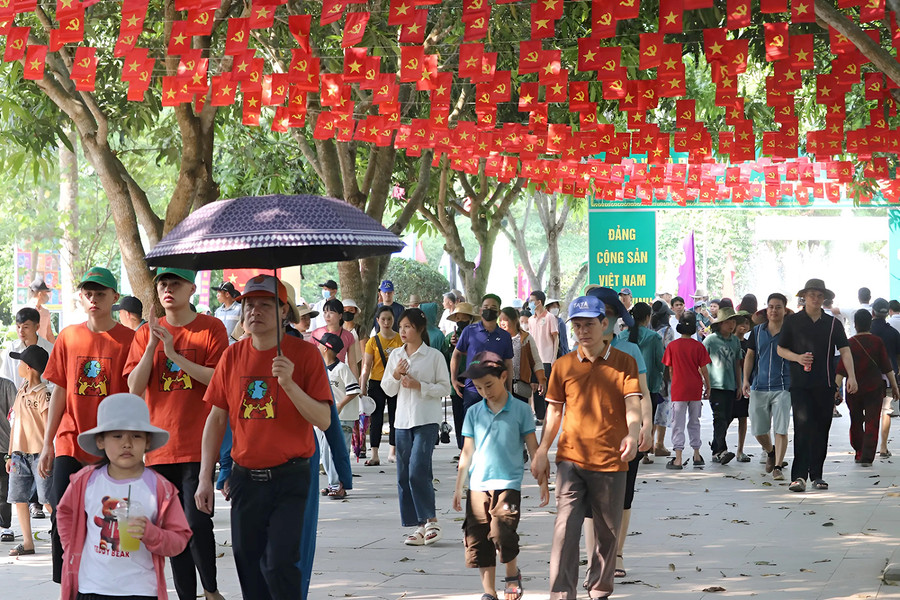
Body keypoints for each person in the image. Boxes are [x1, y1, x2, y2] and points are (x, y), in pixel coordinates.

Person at [195, 275, 332, 600]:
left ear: (284, 311)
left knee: (279, 564)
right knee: (249, 567)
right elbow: (216, 419)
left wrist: (289, 384)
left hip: (290, 478)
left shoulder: (305, 355)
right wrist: (204, 478)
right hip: (245, 480)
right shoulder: (232, 356)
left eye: (265, 305)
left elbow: (324, 420)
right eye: (249, 304)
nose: (254, 311)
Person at [124, 267, 229, 600]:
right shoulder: (145, 333)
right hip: (158, 448)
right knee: (172, 529)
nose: (168, 289)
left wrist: (173, 355)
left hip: (198, 446)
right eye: (163, 284)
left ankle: (210, 590)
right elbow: (133, 387)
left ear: (192, 289)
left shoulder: (211, 328)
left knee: (197, 522)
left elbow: (219, 380)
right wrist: (152, 346)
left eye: (175, 283)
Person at [531, 295, 641, 600]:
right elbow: (554, 412)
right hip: (571, 460)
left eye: (589, 324)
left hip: (611, 460)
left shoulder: (625, 363)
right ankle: (561, 593)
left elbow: (633, 404)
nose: (583, 331)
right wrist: (542, 450)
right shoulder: (563, 365)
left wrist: (633, 434)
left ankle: (599, 588)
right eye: (577, 326)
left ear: (604, 324)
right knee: (565, 528)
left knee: (607, 533)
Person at [39, 266, 135, 584]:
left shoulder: (129, 340)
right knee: (62, 513)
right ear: (81, 297)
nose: (93, 298)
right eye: (88, 293)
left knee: (113, 519)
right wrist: (47, 444)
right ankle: (67, 583)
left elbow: (136, 394)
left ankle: (113, 581)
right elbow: (59, 391)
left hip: (112, 444)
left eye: (100, 293)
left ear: (114, 297)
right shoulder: (68, 336)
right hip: (71, 439)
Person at [56, 393, 192, 600]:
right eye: (117, 436)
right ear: (100, 441)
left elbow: (179, 539)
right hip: (92, 588)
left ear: (147, 441)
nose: (127, 443)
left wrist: (151, 533)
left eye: (136, 436)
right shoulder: (86, 481)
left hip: (140, 591)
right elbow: (65, 512)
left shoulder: (160, 488)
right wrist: (71, 546)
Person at [452, 351, 548, 600]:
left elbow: (533, 448)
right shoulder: (473, 412)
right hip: (477, 485)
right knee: (478, 539)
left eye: (489, 385)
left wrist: (543, 482)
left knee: (502, 533)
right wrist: (459, 487)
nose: (485, 392)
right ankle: (489, 592)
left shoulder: (521, 410)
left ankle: (512, 573)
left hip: (508, 483)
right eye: (479, 388)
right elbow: (467, 451)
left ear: (503, 376)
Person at [777, 278, 856, 492]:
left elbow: (845, 350)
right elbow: (780, 349)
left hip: (826, 383)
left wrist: (852, 376)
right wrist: (797, 358)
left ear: (824, 299)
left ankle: (817, 475)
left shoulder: (832, 324)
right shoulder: (793, 321)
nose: (815, 298)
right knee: (802, 428)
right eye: (811, 294)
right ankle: (798, 476)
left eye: (819, 295)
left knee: (822, 429)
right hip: (800, 384)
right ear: (804, 296)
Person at [380, 308, 452, 546]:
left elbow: (445, 388)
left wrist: (420, 385)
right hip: (402, 422)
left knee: (418, 470)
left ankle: (431, 520)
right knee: (404, 475)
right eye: (400, 327)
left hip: (426, 420)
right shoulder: (396, 355)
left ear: (420, 329)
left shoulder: (433, 356)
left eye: (407, 327)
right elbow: (387, 389)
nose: (402, 331)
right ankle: (419, 526)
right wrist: (396, 374)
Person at [5, 345, 52, 556]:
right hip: (18, 454)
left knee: (47, 499)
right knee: (19, 498)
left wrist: (49, 453)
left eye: (21, 363)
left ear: (29, 367)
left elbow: (49, 426)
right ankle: (27, 542)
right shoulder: (21, 390)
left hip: (39, 455)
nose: (18, 366)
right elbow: (15, 424)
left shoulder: (44, 394)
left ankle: (65, 535)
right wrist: (10, 454)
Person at [836, 310, 900, 467]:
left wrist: (835, 389)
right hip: (874, 388)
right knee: (872, 421)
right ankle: (867, 456)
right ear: (870, 323)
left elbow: (841, 369)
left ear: (855, 324)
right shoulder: (877, 342)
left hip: (853, 389)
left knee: (856, 420)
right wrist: (894, 385)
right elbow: (887, 366)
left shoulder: (849, 343)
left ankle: (859, 451)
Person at [742, 293, 792, 481]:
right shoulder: (757, 332)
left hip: (783, 386)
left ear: (785, 310)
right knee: (758, 429)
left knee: (781, 429)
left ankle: (778, 466)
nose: (774, 310)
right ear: (766, 309)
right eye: (771, 307)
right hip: (759, 385)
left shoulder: (791, 332)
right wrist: (745, 380)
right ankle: (771, 451)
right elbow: (750, 356)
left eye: (778, 307)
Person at [450, 294, 514, 419]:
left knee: (496, 427)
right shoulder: (469, 331)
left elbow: (508, 363)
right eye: (486, 307)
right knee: (471, 427)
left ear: (499, 312)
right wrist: (453, 379)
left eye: (493, 308)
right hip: (472, 390)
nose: (489, 310)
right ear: (480, 310)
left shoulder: (505, 336)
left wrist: (509, 390)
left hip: (497, 391)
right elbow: (456, 354)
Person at [315, 332, 360, 499]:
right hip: (327, 418)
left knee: (337, 452)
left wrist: (340, 405)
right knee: (325, 451)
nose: (317, 346)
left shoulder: (342, 368)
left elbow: (354, 390)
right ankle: (333, 483)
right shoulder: (321, 369)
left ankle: (339, 485)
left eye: (320, 344)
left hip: (343, 417)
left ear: (326, 348)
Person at [662, 314, 711, 469]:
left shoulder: (672, 346)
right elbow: (704, 369)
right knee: (694, 421)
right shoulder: (698, 346)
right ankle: (697, 454)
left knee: (678, 423)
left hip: (679, 389)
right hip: (695, 388)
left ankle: (678, 458)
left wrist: (675, 382)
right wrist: (708, 386)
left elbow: (670, 370)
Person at [619, 303, 665, 464]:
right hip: (649, 385)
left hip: (625, 386)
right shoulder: (654, 337)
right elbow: (661, 362)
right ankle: (644, 452)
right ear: (648, 317)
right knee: (647, 419)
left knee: (628, 419)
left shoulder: (621, 337)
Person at [360, 305, 403, 465]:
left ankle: (393, 452)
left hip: (395, 381)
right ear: (377, 320)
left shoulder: (400, 339)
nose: (386, 322)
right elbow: (367, 365)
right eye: (383, 319)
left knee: (395, 417)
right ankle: (375, 454)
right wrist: (363, 386)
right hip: (376, 383)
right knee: (376, 418)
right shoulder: (372, 341)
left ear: (394, 320)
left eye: (389, 319)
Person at [703, 307, 742, 465]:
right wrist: (705, 383)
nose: (731, 325)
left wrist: (739, 385)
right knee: (719, 417)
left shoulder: (735, 341)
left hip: (730, 386)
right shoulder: (710, 340)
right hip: (715, 386)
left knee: (727, 417)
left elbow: (737, 364)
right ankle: (721, 450)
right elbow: (701, 363)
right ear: (720, 323)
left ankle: (716, 448)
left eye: (733, 321)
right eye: (728, 321)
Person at [446, 302, 480, 450]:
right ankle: (462, 449)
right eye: (458, 318)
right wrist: (450, 345)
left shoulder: (477, 335)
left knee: (472, 416)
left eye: (463, 317)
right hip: (456, 382)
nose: (460, 321)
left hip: (473, 382)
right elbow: (446, 356)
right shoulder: (450, 337)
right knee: (458, 416)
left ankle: (472, 447)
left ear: (470, 318)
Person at [869, 298, 900, 458]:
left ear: (872, 312)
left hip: (869, 376)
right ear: (887, 313)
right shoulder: (893, 333)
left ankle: (867, 446)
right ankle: (883, 447)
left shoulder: (867, 331)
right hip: (889, 377)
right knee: (886, 411)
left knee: (869, 410)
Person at [498, 307, 546, 407]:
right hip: (500, 385)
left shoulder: (525, 338)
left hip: (520, 387)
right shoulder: (497, 338)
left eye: (505, 320)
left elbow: (536, 361)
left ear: (515, 320)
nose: (502, 323)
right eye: (500, 320)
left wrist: (541, 380)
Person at [1, 306, 55, 390]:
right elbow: (6, 377)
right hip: (16, 396)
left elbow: (54, 383)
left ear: (37, 327)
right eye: (18, 327)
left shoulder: (50, 350)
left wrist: (40, 394)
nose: (21, 331)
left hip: (41, 396)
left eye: (25, 327)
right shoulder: (12, 349)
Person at [528, 291, 558, 425]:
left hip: (546, 358)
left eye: (532, 300)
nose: (530, 303)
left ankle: (549, 416)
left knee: (546, 388)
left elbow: (555, 338)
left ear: (539, 302)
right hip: (534, 359)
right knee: (535, 388)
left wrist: (554, 357)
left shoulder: (550, 317)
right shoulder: (531, 319)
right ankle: (540, 417)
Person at [650, 301, 676, 456]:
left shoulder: (648, 329)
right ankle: (659, 444)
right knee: (663, 408)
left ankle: (648, 442)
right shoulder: (668, 331)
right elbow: (670, 354)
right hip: (664, 374)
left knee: (651, 407)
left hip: (649, 373)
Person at [311, 298, 360, 378]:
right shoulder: (316, 334)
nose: (327, 316)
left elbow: (352, 363)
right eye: (325, 312)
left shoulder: (348, 336)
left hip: (339, 378)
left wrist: (355, 384)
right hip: (319, 377)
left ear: (340, 316)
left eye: (331, 312)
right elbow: (311, 360)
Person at [0, 377, 17, 544]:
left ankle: (4, 526)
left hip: (3, 445)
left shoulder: (6, 386)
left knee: (4, 489)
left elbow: (18, 413)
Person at [28, 278, 56, 343]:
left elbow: (49, 334)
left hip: (43, 347)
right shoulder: (25, 311)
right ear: (40, 294)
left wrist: (55, 348)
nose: (47, 296)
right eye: (45, 293)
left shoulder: (45, 312)